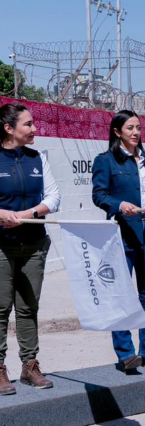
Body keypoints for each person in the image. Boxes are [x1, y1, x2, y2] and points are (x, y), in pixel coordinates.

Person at [92, 110, 145, 373]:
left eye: (139, 128)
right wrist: (119, 205)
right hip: (121, 234)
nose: (136, 132)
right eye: (130, 128)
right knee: (121, 295)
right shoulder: (106, 161)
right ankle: (126, 353)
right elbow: (98, 195)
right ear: (117, 131)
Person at [0, 103, 61, 394]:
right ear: (9, 129)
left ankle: (29, 366)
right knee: (0, 309)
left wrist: (29, 215)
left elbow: (54, 197)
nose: (34, 129)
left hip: (34, 245)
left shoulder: (37, 159)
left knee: (28, 308)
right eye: (27, 124)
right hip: (1, 245)